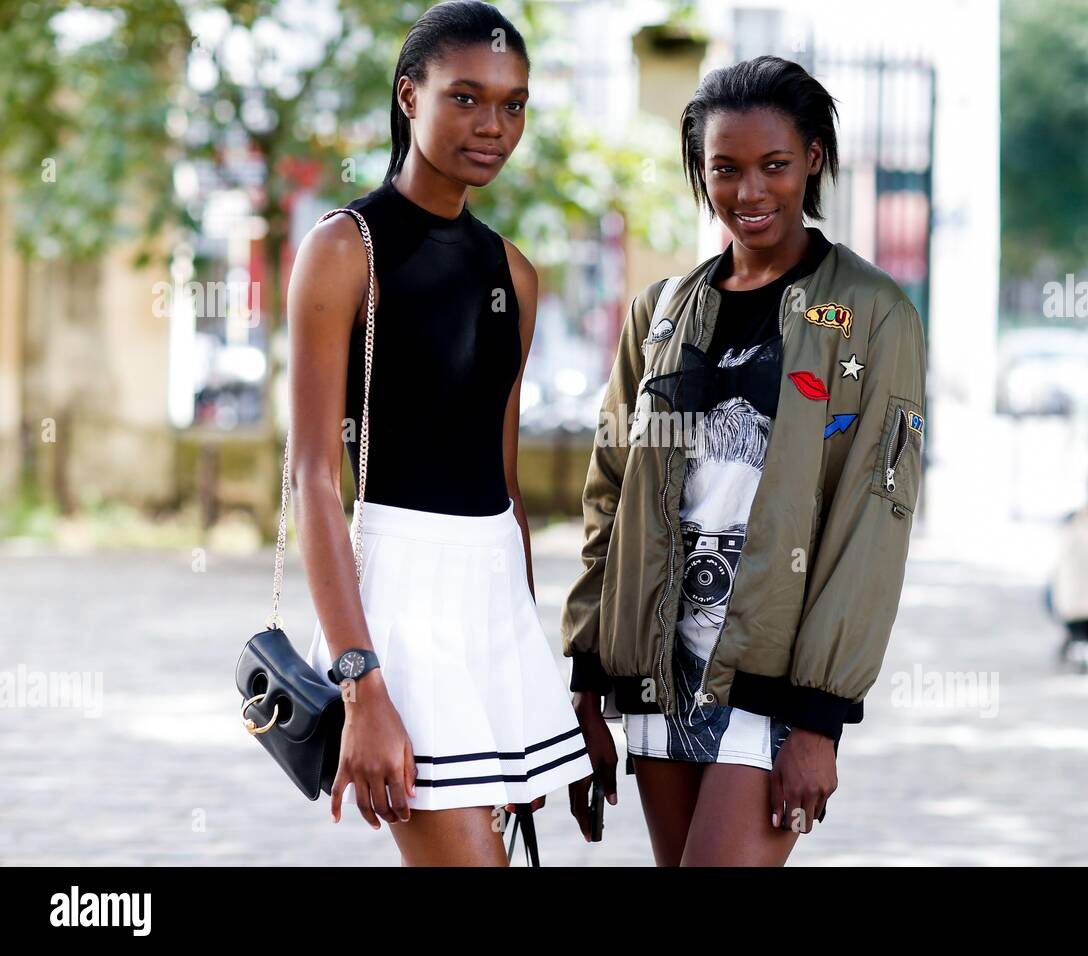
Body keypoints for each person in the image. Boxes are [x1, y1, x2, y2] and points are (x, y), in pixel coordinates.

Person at [562, 55, 927, 865]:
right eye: (725, 169)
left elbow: (875, 517)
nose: (749, 192)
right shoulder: (657, 314)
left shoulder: (873, 316)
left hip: (775, 682)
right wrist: (587, 684)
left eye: (775, 166)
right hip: (658, 668)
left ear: (814, 162)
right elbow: (610, 496)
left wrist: (821, 716)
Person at [288, 1, 591, 866]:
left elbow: (506, 489)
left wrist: (523, 680)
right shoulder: (347, 249)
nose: (494, 125)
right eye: (466, 97)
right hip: (396, 609)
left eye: (513, 103)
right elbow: (312, 478)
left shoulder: (516, 275)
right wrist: (361, 682)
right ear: (409, 96)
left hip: (491, 602)